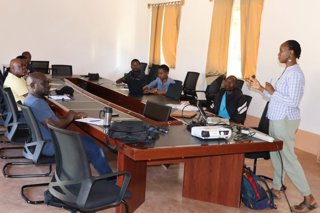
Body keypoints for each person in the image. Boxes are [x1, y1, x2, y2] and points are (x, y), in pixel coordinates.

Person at [248, 40, 317, 213]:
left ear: (291, 53)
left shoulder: (295, 74)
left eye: (281, 51)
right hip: (276, 117)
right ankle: (277, 188)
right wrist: (260, 88)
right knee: (275, 153)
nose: (279, 54)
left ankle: (309, 198)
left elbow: (292, 102)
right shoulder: (287, 71)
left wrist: (271, 91)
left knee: (288, 158)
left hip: (284, 120)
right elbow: (277, 98)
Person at [24, 72, 113, 175]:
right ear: (33, 86)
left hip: (41, 142)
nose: (49, 85)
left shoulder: (30, 99)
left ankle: (77, 174)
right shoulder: (37, 103)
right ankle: (109, 179)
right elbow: (54, 127)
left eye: (48, 82)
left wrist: (70, 116)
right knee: (93, 147)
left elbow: (53, 121)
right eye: (44, 83)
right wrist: (70, 117)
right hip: (50, 145)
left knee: (88, 141)